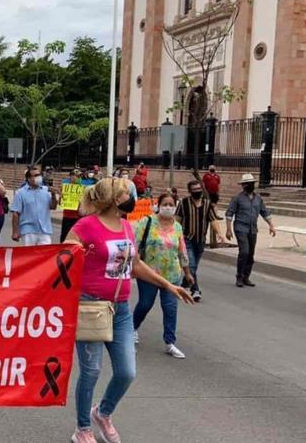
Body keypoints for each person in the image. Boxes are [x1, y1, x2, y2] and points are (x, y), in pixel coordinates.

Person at [64, 178, 193, 443]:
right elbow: (62, 260)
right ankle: (82, 428)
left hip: (120, 309)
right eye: (125, 193)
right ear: (113, 199)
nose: (131, 196)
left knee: (126, 372)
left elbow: (134, 264)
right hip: (91, 307)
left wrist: (169, 285)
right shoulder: (85, 226)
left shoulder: (126, 226)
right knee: (91, 371)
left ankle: (103, 412)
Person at [134, 193, 194, 359]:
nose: (168, 207)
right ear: (159, 205)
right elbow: (135, 246)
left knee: (170, 308)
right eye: (165, 204)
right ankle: (132, 328)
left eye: (171, 204)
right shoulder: (146, 223)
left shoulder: (178, 227)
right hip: (149, 274)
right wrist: (133, 266)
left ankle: (170, 342)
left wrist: (187, 272)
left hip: (172, 275)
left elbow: (182, 250)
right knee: (145, 304)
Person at [225, 173, 276, 288]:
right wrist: (228, 229)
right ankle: (239, 277)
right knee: (244, 252)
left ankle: (246, 277)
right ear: (243, 185)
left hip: (253, 229)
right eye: (247, 184)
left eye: (251, 183)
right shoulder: (238, 198)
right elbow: (229, 214)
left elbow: (264, 212)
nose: (249, 185)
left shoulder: (258, 198)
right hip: (240, 227)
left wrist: (271, 225)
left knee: (251, 254)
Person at [176, 180, 222, 301]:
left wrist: (219, 233)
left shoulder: (207, 204)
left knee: (194, 266)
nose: (197, 191)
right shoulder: (183, 203)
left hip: (200, 240)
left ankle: (184, 284)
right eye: (194, 190)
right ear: (190, 191)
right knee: (191, 265)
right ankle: (195, 289)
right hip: (187, 239)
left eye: (199, 189)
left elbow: (213, 220)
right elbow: (177, 220)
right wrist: (175, 235)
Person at [10, 166, 58, 246]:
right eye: (35, 175)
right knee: (30, 256)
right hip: (28, 230)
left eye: (39, 175)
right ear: (28, 179)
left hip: (44, 230)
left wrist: (53, 195)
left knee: (45, 256)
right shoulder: (20, 193)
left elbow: (53, 207)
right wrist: (15, 232)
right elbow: (16, 213)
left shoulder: (46, 190)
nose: (39, 177)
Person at [60, 169, 82, 243]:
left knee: (78, 238)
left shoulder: (83, 189)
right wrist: (61, 197)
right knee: (64, 237)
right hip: (67, 216)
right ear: (70, 177)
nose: (76, 178)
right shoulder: (65, 188)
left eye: (78, 176)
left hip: (78, 217)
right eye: (75, 176)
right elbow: (60, 203)